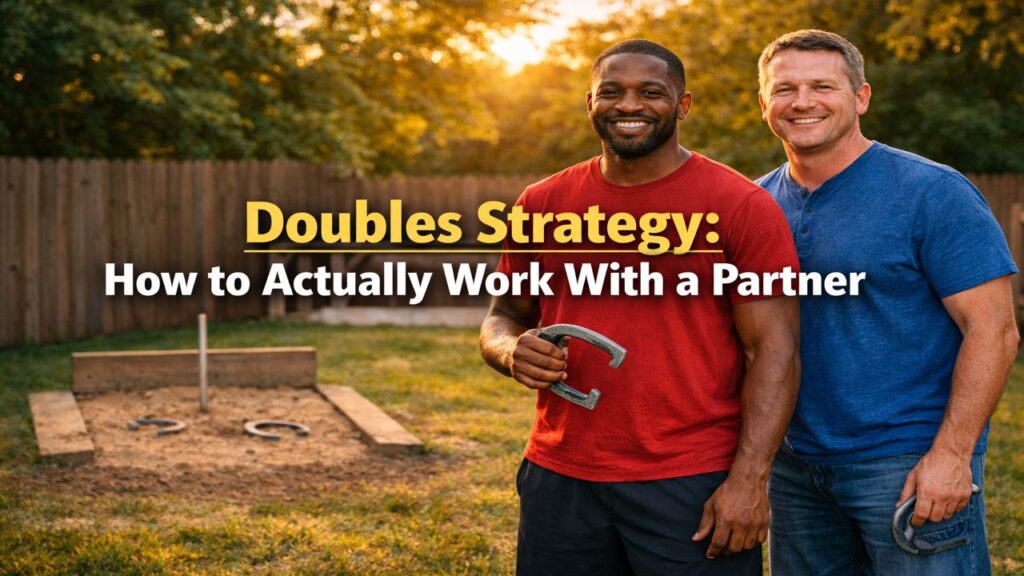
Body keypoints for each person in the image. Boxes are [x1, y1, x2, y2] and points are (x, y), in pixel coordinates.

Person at [479, 39, 800, 575]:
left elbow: (775, 351)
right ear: (590, 103)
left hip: (690, 480)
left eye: (651, 92)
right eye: (612, 92)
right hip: (561, 477)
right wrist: (511, 350)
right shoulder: (541, 203)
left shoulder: (738, 205)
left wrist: (749, 481)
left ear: (682, 104)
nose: (629, 105)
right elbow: (503, 315)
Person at [755, 29, 1019, 575]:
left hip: (905, 464)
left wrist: (951, 455)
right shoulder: (753, 205)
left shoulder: (931, 192)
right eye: (785, 89)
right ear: (764, 104)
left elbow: (994, 331)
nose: (802, 101)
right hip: (794, 469)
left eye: (822, 85)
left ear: (862, 97)